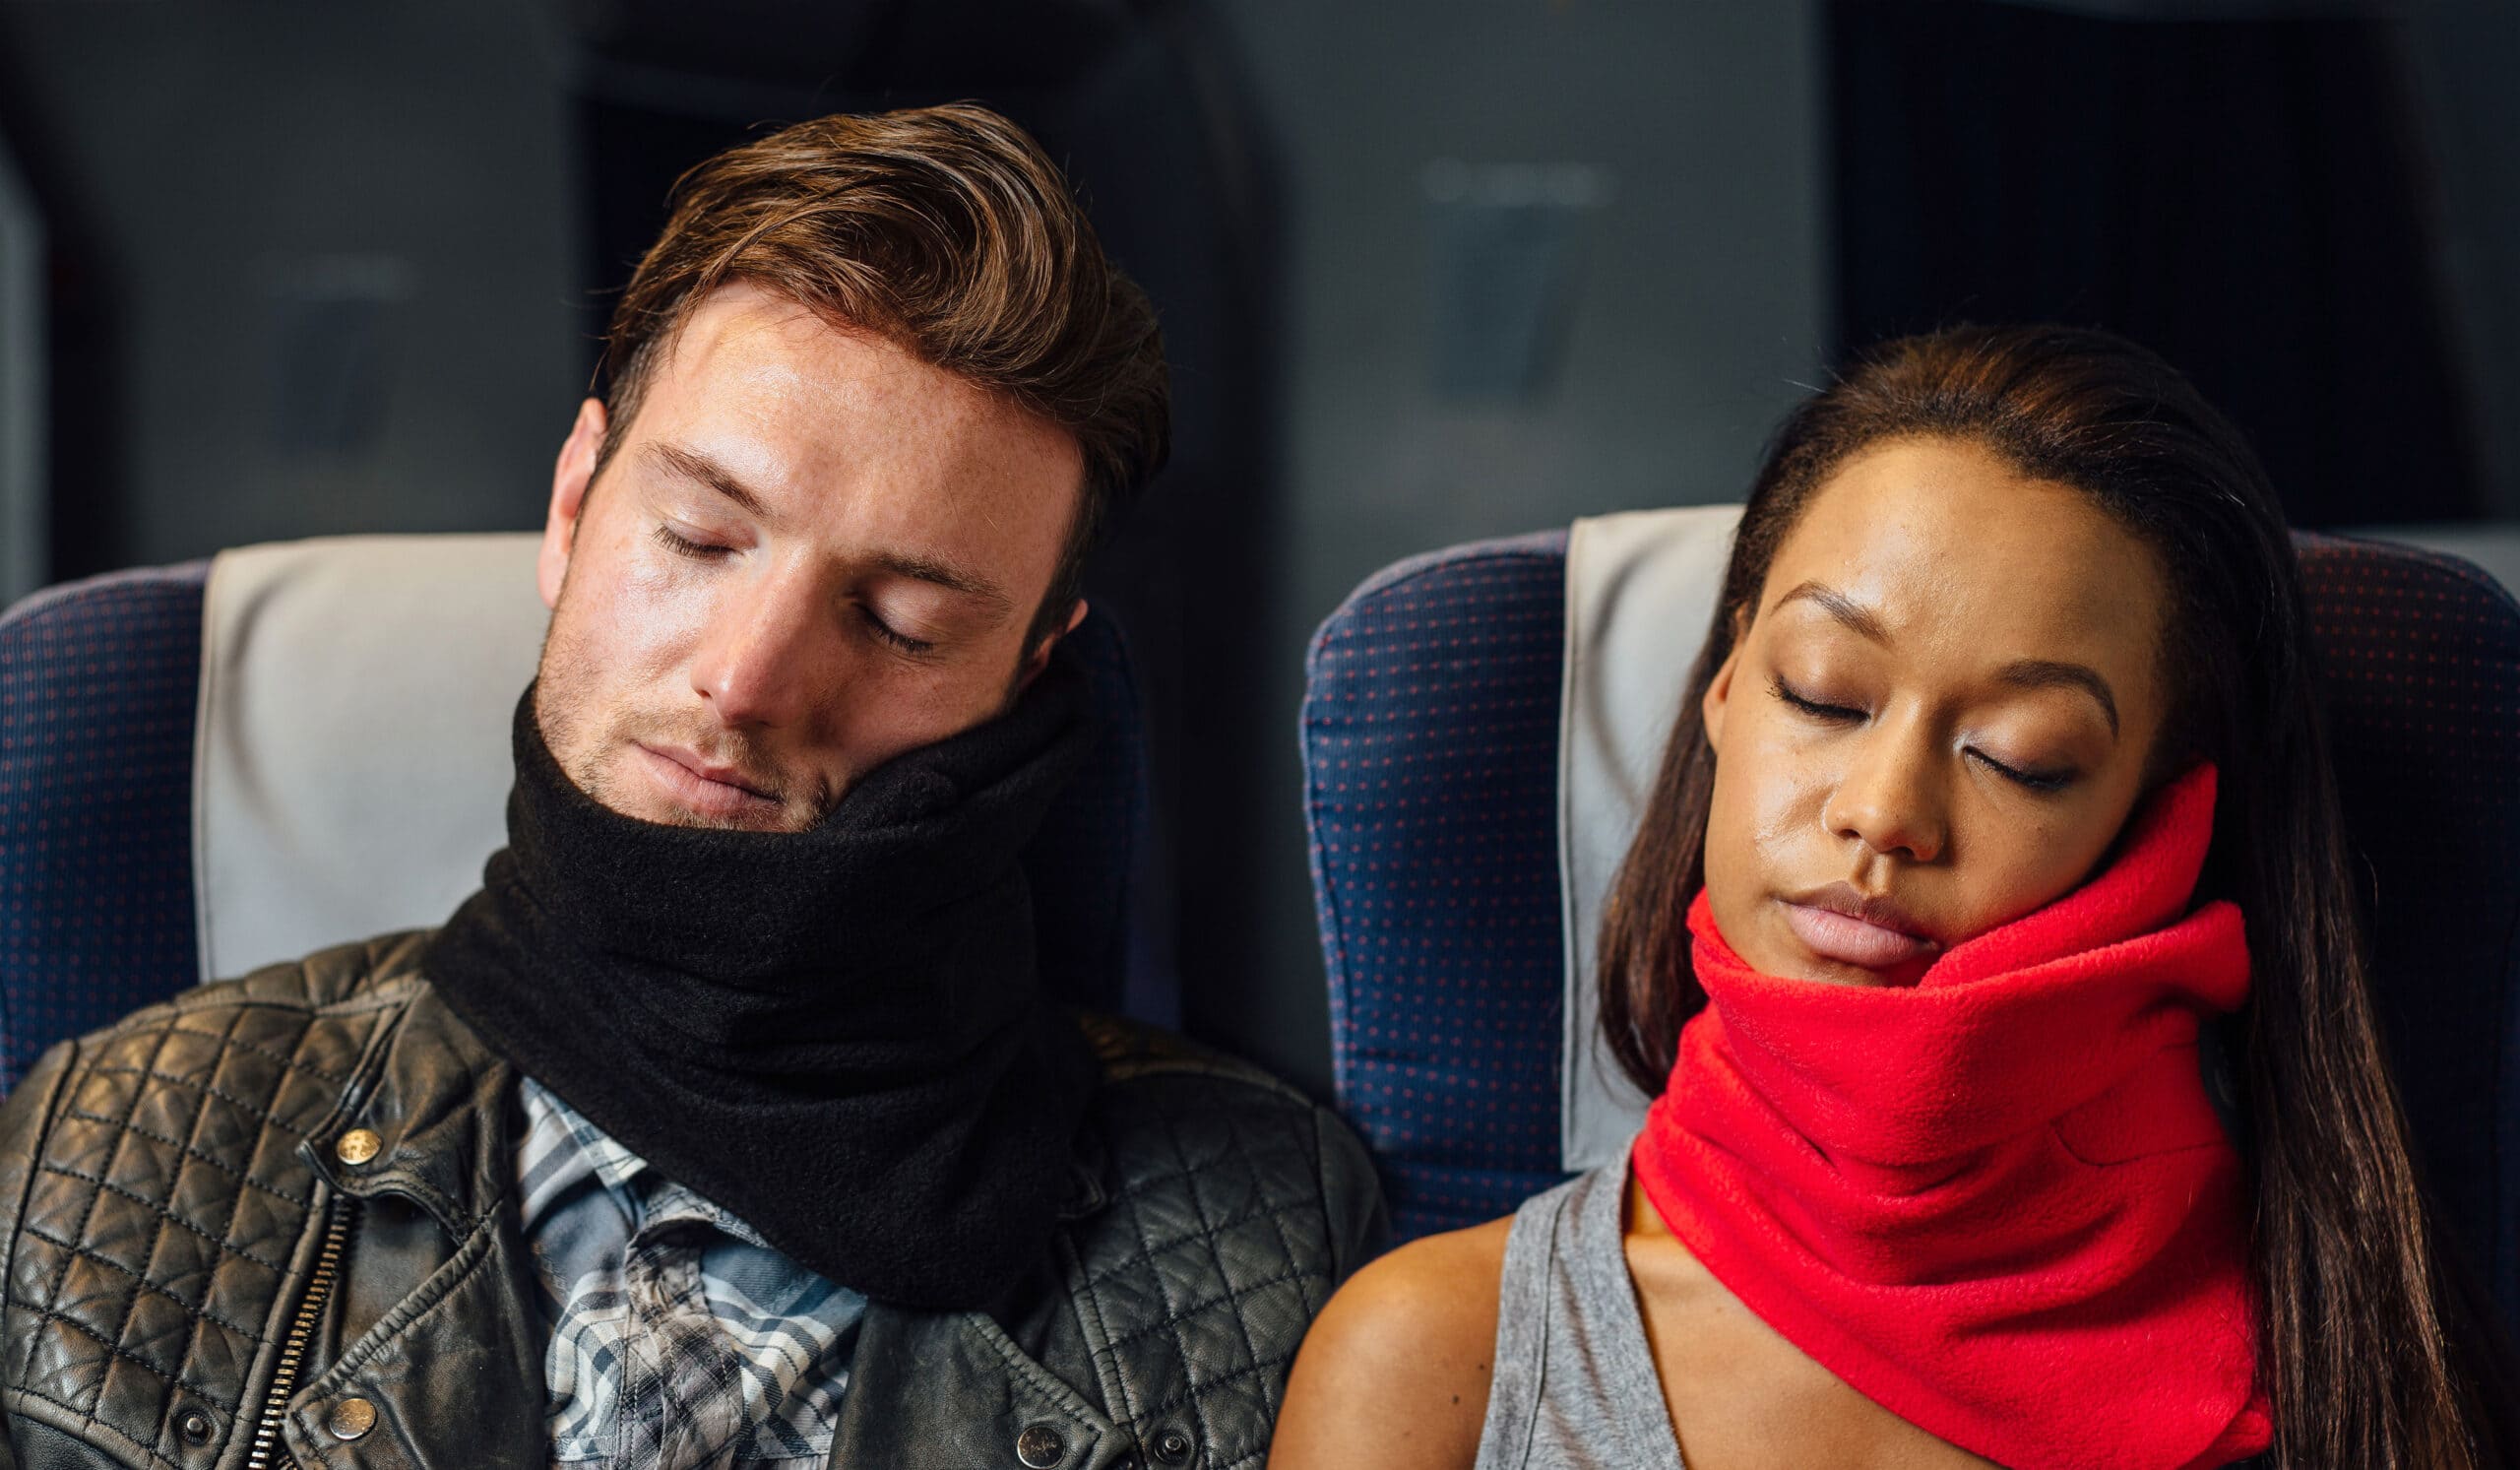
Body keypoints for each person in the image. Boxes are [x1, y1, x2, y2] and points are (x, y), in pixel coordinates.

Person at [0, 104, 1380, 1469]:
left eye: (899, 621)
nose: (749, 679)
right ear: (572, 507)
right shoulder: (105, 1151)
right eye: (700, 536)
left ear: (1027, 675)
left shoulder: (1276, 1242)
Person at [1269, 325, 2518, 1470]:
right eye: (1821, 693)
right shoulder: (1437, 1355)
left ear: (2155, 824)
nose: (1884, 809)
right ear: (1722, 686)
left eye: (2022, 755)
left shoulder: (2358, 1376)